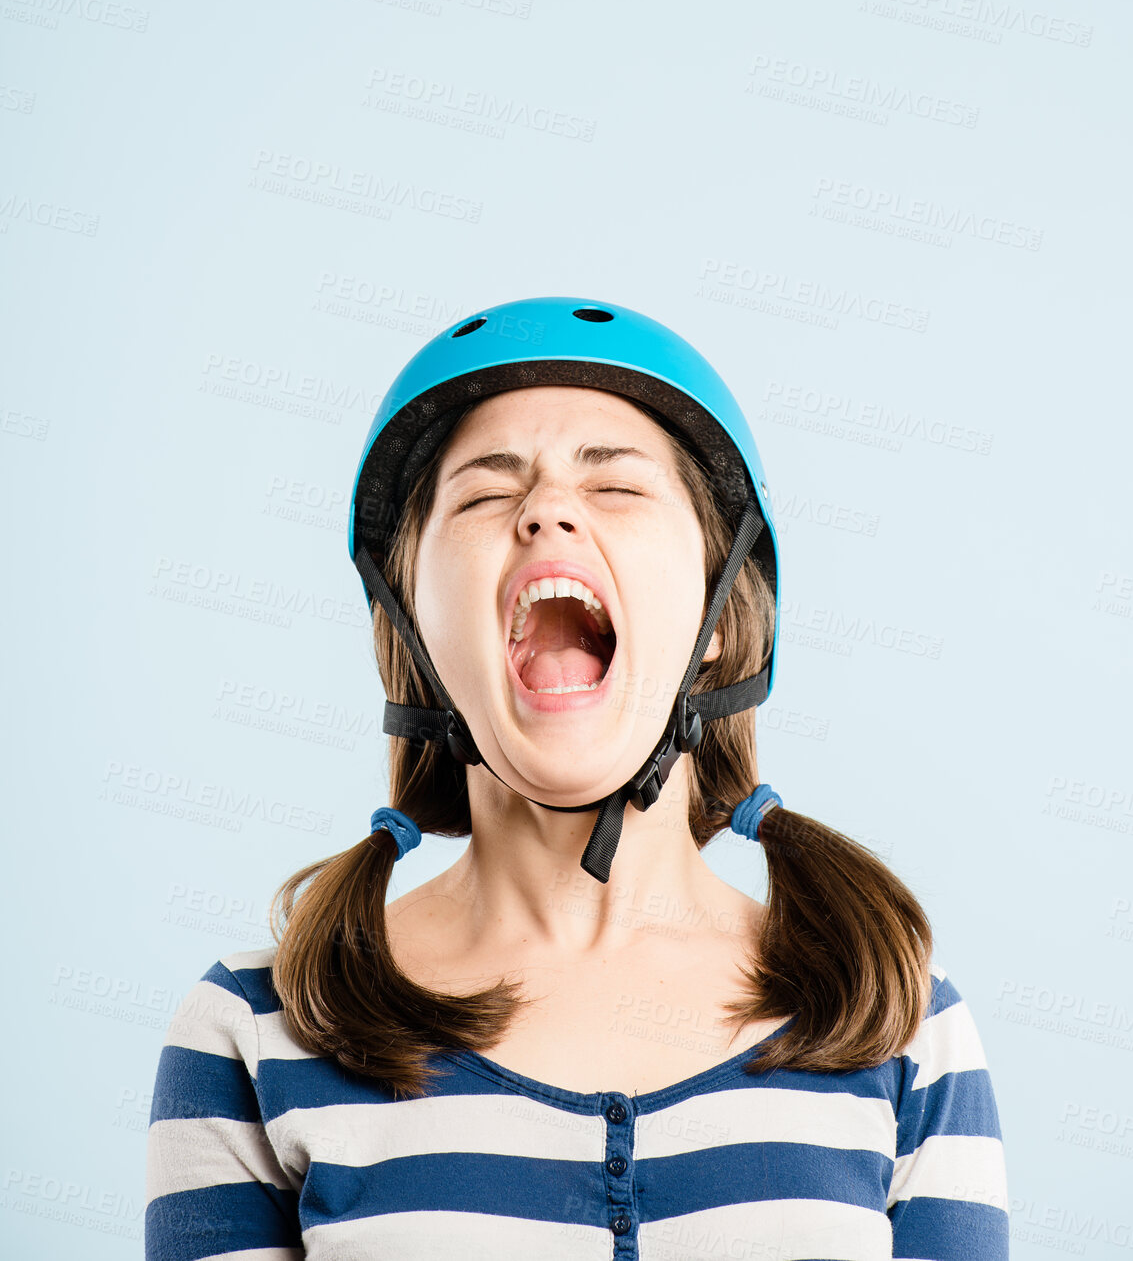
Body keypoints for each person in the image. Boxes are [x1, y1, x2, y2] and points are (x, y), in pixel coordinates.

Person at [145, 294, 1010, 1259]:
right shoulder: (253, 1028)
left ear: (719, 615)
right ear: (418, 631)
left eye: (615, 488)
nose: (546, 509)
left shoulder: (895, 1020)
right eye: (482, 493)